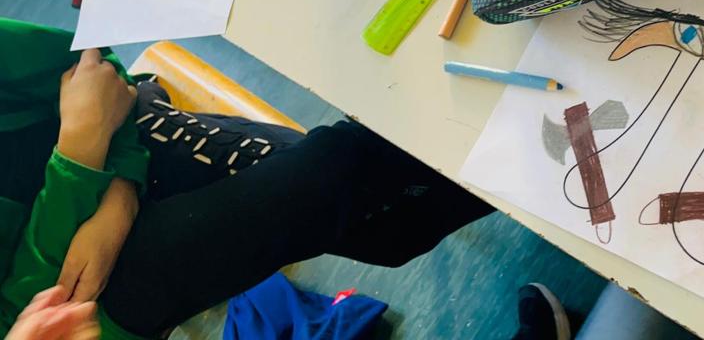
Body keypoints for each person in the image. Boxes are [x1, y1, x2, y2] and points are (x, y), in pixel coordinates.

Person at [0, 18, 493, 339]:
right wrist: (83, 156)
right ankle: (507, 151)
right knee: (336, 176)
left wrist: (116, 180)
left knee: (336, 181)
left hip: (103, 146)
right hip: (85, 293)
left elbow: (92, 68)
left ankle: (489, 162)